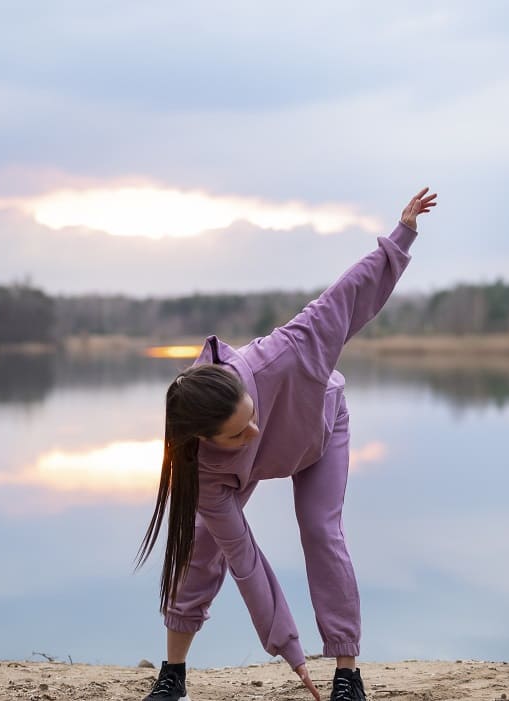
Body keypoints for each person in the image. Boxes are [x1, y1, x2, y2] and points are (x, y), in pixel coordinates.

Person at [135, 188, 438, 701]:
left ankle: (347, 674)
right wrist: (291, 652)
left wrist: (401, 235)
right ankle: (174, 675)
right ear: (205, 439)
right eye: (238, 434)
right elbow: (246, 562)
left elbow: (348, 295)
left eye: (251, 418)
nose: (251, 432)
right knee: (204, 543)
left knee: (320, 530)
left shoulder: (289, 352)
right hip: (251, 464)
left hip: (319, 430)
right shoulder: (204, 469)